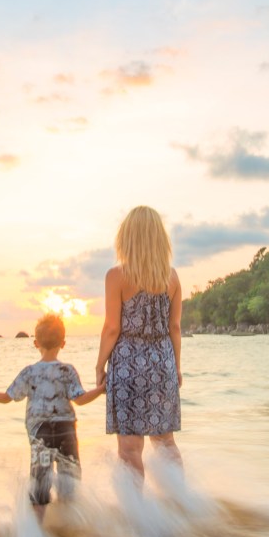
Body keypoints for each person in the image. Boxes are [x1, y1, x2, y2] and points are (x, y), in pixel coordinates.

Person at [0, 313, 104, 521]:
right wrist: (101, 389)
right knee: (69, 484)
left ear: (35, 343)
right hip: (66, 431)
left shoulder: (29, 372)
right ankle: (68, 530)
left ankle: (39, 532)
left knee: (40, 485)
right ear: (63, 343)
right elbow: (80, 399)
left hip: (40, 433)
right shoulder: (67, 370)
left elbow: (7, 397)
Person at [96, 205, 184, 481]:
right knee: (165, 442)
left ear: (127, 237)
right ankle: (179, 504)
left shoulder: (116, 276)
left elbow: (112, 328)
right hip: (163, 363)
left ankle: (135, 516)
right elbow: (175, 328)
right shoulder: (172, 277)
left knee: (130, 449)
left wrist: (100, 365)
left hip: (128, 367)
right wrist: (176, 368)